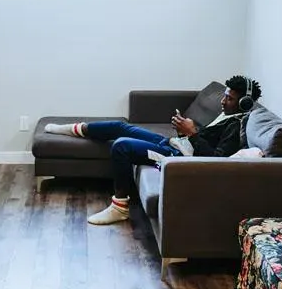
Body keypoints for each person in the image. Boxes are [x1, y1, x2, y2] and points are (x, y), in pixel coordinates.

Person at [45, 76, 263, 225]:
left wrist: (192, 133)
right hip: (178, 145)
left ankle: (119, 208)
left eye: (229, 98)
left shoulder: (236, 126)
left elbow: (215, 161)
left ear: (244, 103)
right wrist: (185, 131)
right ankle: (76, 129)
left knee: (122, 145)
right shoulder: (228, 115)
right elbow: (205, 140)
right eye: (225, 95)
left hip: (177, 158)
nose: (223, 101)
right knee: (122, 126)